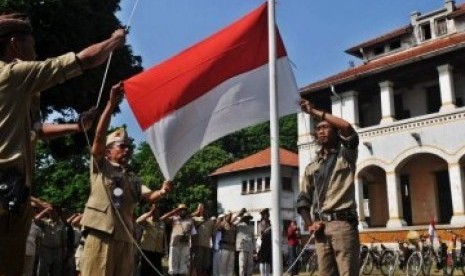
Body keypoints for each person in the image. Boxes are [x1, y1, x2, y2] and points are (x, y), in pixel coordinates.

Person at [0, 12, 127, 275]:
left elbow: (36, 129)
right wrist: (115, 41)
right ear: (14, 45)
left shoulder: (16, 87)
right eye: (32, 46)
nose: (35, 52)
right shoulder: (13, 74)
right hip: (6, 195)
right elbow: (84, 60)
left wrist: (76, 127)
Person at [79, 83, 173, 276]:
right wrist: (111, 105)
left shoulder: (133, 178)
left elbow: (149, 196)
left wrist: (162, 191)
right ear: (108, 151)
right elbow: (98, 137)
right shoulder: (101, 167)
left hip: (126, 237)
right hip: (101, 233)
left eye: (130, 147)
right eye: (122, 146)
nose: (128, 150)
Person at [297, 99, 360, 276]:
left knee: (347, 272)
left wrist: (314, 112)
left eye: (326, 127)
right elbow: (303, 200)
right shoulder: (312, 166)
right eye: (318, 128)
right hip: (321, 228)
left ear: (335, 131)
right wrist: (310, 224)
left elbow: (347, 127)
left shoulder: (346, 155)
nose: (321, 131)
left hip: (342, 225)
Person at [161, 203, 196, 276]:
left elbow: (193, 234)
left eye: (184, 210)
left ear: (186, 211)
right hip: (174, 245)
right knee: (173, 267)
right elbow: (162, 218)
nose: (182, 212)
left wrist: (193, 247)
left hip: (185, 245)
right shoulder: (174, 218)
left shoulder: (190, 220)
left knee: (183, 267)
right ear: (178, 211)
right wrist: (173, 212)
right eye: (180, 210)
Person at [35, 206, 67, 276]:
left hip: (57, 251)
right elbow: (35, 219)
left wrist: (64, 251)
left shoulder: (62, 225)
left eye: (54, 212)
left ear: (58, 213)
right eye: (51, 212)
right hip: (45, 250)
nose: (51, 213)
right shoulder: (45, 222)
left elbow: (64, 239)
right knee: (42, 271)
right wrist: (45, 210)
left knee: (56, 272)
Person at [136, 204, 167, 276]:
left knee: (156, 271)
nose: (157, 212)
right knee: (145, 271)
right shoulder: (147, 221)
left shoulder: (162, 223)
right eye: (155, 211)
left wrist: (165, 249)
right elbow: (138, 221)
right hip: (147, 250)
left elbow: (164, 237)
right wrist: (150, 212)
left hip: (157, 251)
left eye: (158, 211)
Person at [190, 203, 216, 276]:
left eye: (203, 209)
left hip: (207, 246)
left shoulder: (211, 221)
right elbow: (188, 217)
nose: (203, 210)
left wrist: (213, 244)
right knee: (198, 263)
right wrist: (196, 212)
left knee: (206, 264)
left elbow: (213, 234)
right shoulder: (195, 219)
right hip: (198, 245)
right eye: (200, 208)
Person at [216, 211, 237, 276]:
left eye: (230, 215)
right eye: (228, 215)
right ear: (225, 216)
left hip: (232, 247)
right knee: (223, 265)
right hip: (224, 247)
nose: (229, 217)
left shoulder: (233, 225)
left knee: (231, 266)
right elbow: (218, 228)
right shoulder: (222, 223)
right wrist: (219, 220)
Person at [234, 211, 254, 276]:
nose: (247, 219)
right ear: (243, 218)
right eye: (246, 218)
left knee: (250, 265)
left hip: (250, 247)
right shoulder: (239, 226)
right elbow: (233, 224)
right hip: (242, 247)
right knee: (242, 265)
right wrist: (240, 219)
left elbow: (253, 237)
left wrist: (254, 248)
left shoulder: (251, 226)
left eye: (248, 218)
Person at [257, 209, 271, 276]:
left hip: (268, 243)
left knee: (268, 261)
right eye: (267, 214)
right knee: (262, 260)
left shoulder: (269, 223)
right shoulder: (260, 224)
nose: (268, 215)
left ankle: (267, 274)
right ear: (264, 215)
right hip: (262, 243)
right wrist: (269, 228)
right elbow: (261, 234)